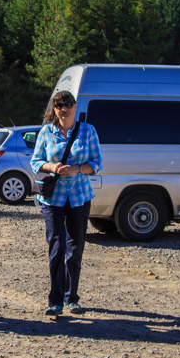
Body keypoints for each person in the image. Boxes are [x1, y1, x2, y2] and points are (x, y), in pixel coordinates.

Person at [30, 90, 103, 317]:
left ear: (75, 106)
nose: (65, 108)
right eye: (60, 105)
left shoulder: (88, 131)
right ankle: (55, 301)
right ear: (54, 109)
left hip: (80, 197)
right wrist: (52, 167)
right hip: (53, 199)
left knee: (75, 248)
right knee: (57, 246)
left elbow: (97, 163)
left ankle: (72, 298)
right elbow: (35, 162)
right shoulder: (46, 132)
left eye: (68, 104)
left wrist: (77, 169)